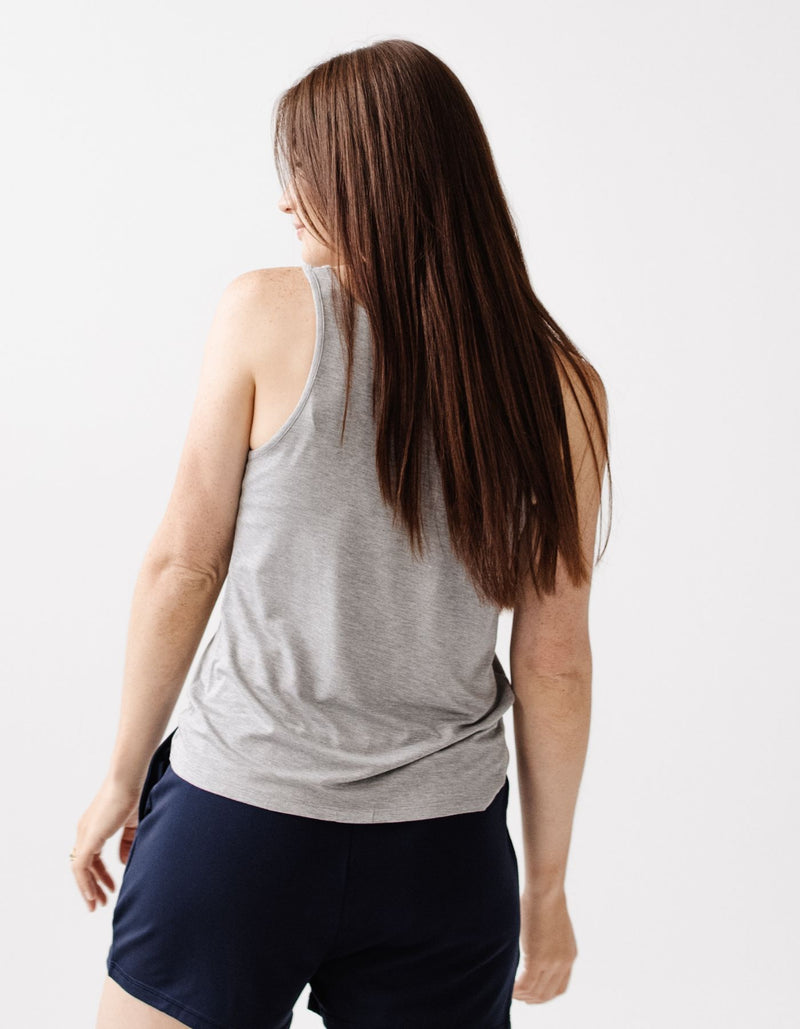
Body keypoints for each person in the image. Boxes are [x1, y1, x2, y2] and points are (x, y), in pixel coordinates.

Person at [72, 37, 611, 1029]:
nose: (286, 202)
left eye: (305, 172)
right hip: (443, 856)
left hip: (238, 828)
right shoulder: (564, 387)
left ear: (368, 173)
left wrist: (119, 776)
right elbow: (554, 663)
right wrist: (543, 888)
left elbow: (184, 564)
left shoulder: (266, 313)